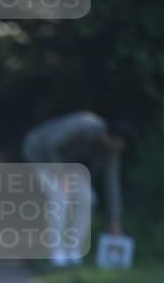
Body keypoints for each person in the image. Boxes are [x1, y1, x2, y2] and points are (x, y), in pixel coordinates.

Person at [21, 111, 127, 266]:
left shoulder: (111, 149)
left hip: (70, 165)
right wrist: (60, 176)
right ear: (106, 136)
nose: (114, 149)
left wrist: (114, 219)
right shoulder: (84, 125)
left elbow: (111, 182)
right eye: (113, 144)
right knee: (59, 197)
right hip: (41, 154)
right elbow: (52, 146)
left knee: (88, 199)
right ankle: (56, 252)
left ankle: (73, 250)